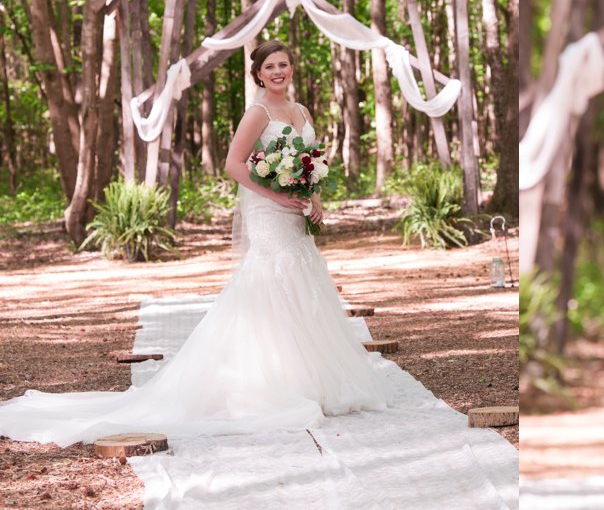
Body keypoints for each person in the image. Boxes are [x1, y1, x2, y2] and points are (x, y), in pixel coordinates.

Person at [0, 40, 385, 447]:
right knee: (271, 281)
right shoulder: (258, 113)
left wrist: (314, 198)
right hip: (269, 213)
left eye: (284, 64)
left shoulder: (302, 111)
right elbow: (234, 164)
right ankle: (267, 383)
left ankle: (314, 380)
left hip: (296, 211)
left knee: (304, 281)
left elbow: (311, 163)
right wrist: (278, 196)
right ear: (258, 74)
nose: (277, 72)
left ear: (292, 68)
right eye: (269, 66)